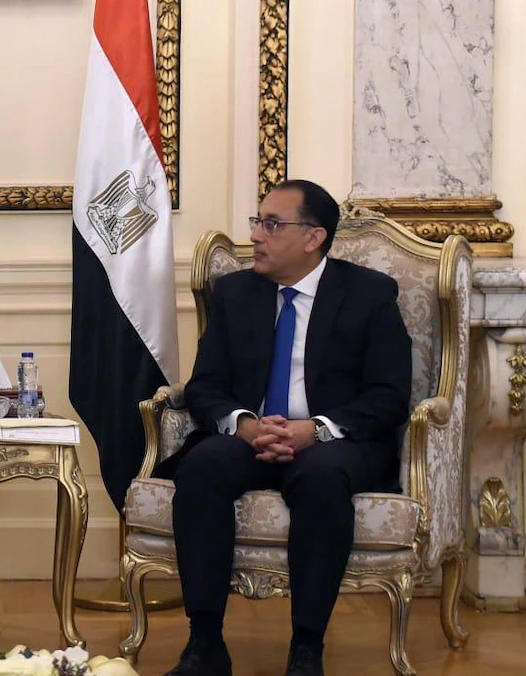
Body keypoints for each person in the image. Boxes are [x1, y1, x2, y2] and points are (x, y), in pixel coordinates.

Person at [155, 180, 412, 676]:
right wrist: (244, 425)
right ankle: (205, 644)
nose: (256, 235)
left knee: (321, 477)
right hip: (252, 435)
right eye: (257, 221)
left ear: (314, 238)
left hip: (333, 441)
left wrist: (315, 429)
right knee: (203, 467)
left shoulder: (369, 295)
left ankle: (306, 649)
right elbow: (205, 386)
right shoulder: (235, 293)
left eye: (272, 224)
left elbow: (389, 396)